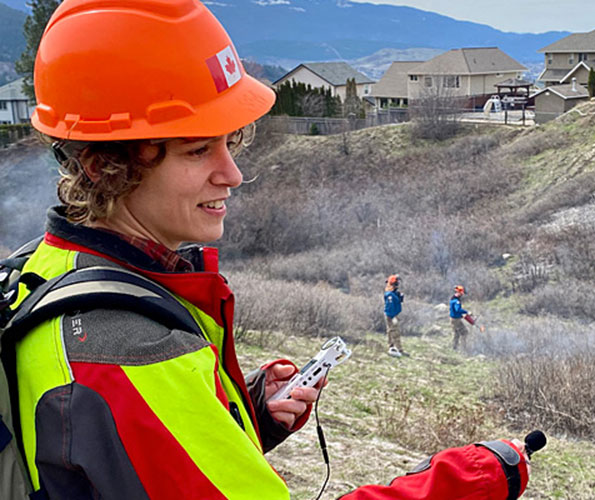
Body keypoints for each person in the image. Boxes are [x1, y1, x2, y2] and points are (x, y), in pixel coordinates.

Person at [9, 0, 531, 498]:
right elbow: (133, 408)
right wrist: (469, 482)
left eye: (228, 144)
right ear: (105, 166)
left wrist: (244, 414)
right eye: (197, 150)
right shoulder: (129, 355)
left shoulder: (45, 271)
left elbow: (124, 464)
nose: (231, 174)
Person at [384, 274, 404, 357]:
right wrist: (393, 317)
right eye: (396, 283)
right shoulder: (390, 295)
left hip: (393, 314)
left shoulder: (393, 293)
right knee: (395, 331)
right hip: (392, 315)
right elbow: (390, 307)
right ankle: (398, 349)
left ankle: (391, 346)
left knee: (390, 331)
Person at [450, 285, 473, 350]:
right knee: (464, 332)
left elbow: (455, 311)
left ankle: (454, 348)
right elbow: (458, 309)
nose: (462, 295)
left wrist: (461, 315)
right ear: (459, 293)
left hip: (454, 319)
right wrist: (466, 312)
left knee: (456, 334)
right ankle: (463, 349)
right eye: (461, 293)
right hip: (456, 320)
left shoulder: (453, 299)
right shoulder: (456, 301)